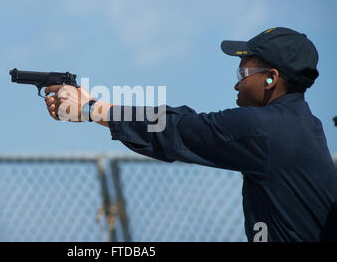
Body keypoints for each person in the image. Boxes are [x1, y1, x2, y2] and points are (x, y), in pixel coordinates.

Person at [44, 27, 337, 242]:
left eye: (242, 74)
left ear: (271, 78)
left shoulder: (263, 130)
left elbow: (175, 130)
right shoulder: (306, 126)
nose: (236, 85)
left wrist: (92, 107)